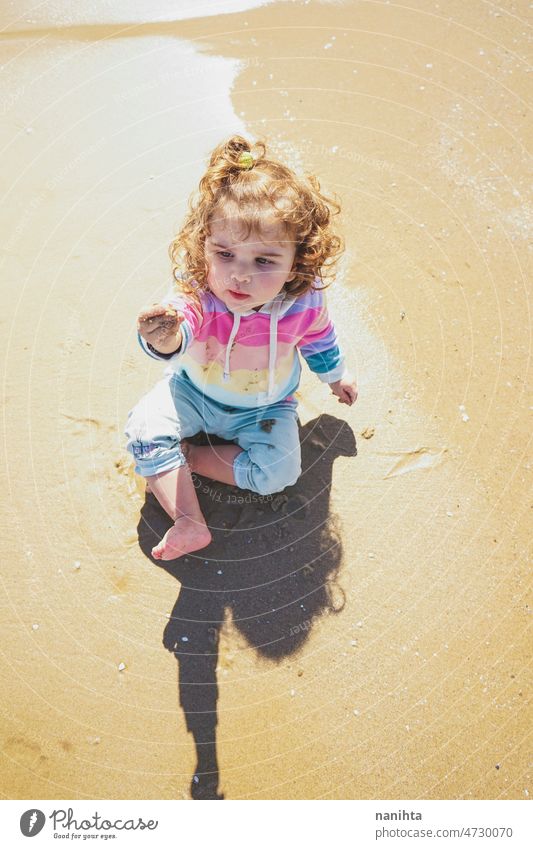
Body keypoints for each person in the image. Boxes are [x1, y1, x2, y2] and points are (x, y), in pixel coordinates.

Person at [125, 135, 358, 561]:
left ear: (297, 262)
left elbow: (319, 338)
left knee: (280, 473)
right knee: (142, 428)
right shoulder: (198, 294)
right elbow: (182, 326)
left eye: (264, 261)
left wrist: (335, 377)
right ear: (204, 246)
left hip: (267, 407)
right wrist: (165, 338)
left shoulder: (302, 303)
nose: (239, 276)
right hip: (192, 393)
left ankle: (190, 457)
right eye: (225, 254)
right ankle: (189, 522)